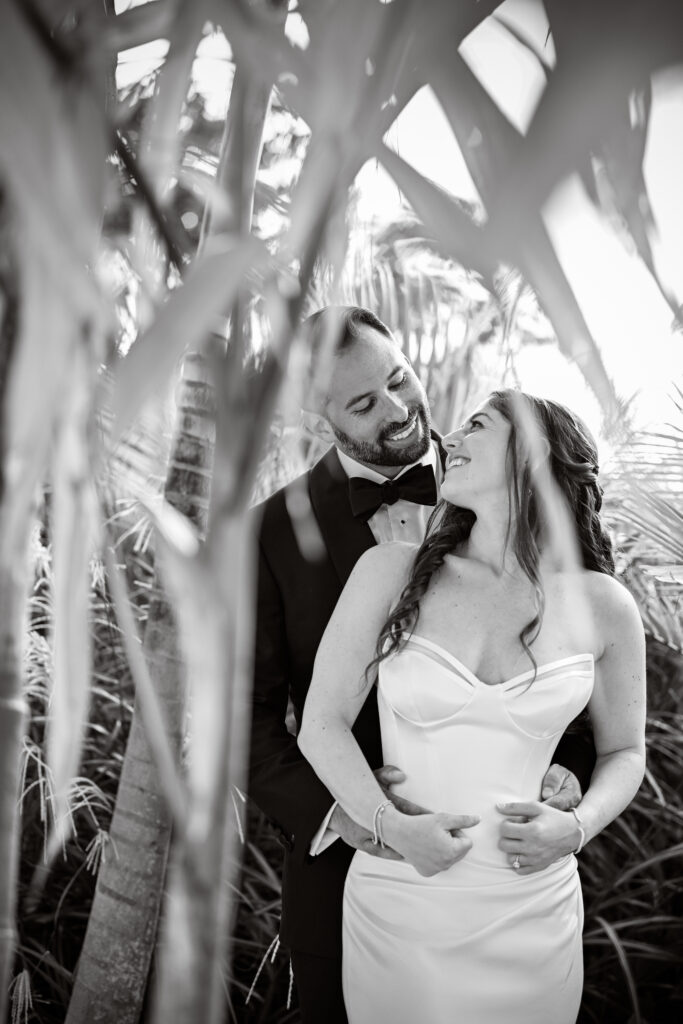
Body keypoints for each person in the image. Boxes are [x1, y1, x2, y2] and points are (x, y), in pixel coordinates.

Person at [249, 309, 595, 1023]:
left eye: (398, 380)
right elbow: (241, 719)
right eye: (364, 403)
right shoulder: (270, 533)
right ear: (321, 418)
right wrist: (346, 816)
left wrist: (572, 774)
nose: (400, 410)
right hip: (348, 877)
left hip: (511, 876)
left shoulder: (517, 477)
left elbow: (586, 664)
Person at [298, 388, 647, 1024]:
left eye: (476, 425)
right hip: (402, 898)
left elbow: (625, 751)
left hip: (531, 909)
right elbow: (321, 724)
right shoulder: (392, 572)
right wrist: (389, 824)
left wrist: (576, 828)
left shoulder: (606, 607)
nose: (447, 439)